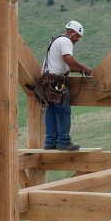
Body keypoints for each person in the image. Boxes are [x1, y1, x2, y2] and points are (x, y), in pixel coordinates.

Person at [41, 20, 93, 151]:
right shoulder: (66, 41)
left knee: (51, 111)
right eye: (77, 36)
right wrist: (86, 68)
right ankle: (63, 141)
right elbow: (69, 60)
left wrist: (79, 69)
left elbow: (63, 65)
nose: (77, 40)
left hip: (48, 81)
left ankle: (50, 141)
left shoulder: (56, 41)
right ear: (71, 32)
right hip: (58, 82)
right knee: (63, 111)